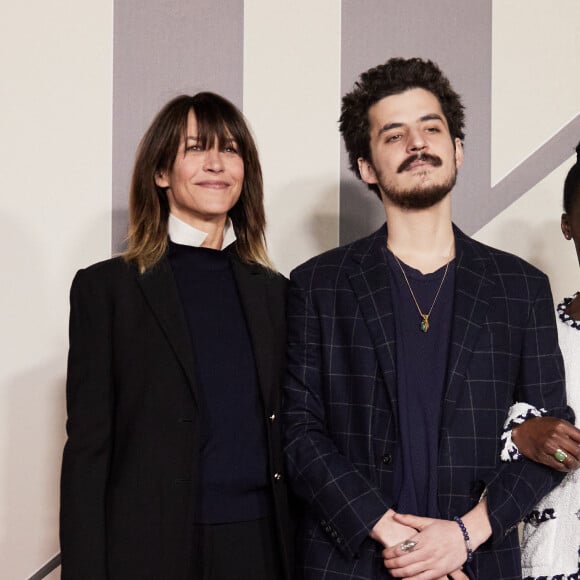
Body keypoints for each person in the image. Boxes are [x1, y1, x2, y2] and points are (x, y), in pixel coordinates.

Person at [282, 57, 572, 580]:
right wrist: (396, 535)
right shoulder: (318, 285)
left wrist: (465, 535)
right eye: (394, 135)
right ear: (366, 167)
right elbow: (300, 434)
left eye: (431, 128)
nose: (417, 144)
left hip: (476, 565)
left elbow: (552, 438)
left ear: (457, 151)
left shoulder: (520, 287)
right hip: (354, 563)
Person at [60, 92, 293, 580]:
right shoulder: (107, 290)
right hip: (149, 549)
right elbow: (87, 452)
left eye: (230, 150)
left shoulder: (279, 295)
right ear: (161, 172)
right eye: (195, 148)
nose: (216, 163)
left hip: (261, 547)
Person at [500, 141, 580, 578]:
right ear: (568, 226)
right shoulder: (535, 330)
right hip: (547, 561)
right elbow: (471, 445)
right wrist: (521, 435)